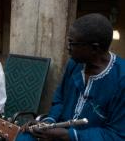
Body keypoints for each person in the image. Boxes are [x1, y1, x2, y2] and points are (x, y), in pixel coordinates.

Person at [16, 13, 125, 141]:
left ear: (94, 48)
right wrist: (48, 122)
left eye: (72, 43)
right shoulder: (74, 64)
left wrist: (68, 135)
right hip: (60, 134)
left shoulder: (121, 79)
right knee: (24, 137)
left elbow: (116, 135)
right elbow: (60, 99)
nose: (68, 48)